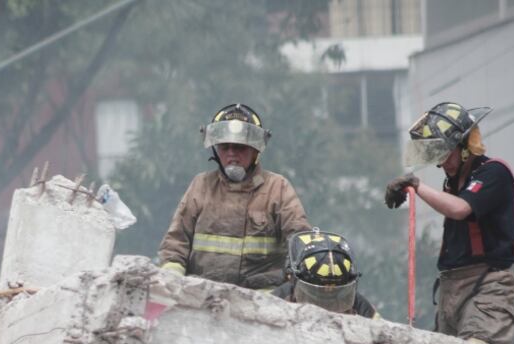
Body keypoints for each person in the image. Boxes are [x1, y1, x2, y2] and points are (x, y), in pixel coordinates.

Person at [384, 102, 514, 344]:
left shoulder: (494, 173)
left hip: (486, 286)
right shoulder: (452, 184)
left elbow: (461, 209)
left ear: (465, 146)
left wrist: (416, 185)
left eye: (445, 153)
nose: (442, 163)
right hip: (450, 288)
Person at [158, 103, 310, 290]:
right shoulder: (201, 186)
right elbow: (175, 243)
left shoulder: (277, 188)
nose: (232, 153)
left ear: (255, 150)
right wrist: (173, 279)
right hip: (204, 298)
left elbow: (300, 241)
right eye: (225, 146)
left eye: (239, 147)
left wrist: (286, 287)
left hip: (263, 302)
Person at [273, 229, 380, 319]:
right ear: (295, 280)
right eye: (321, 288)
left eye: (335, 288)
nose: (328, 291)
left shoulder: (360, 307)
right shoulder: (280, 299)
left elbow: (379, 329)